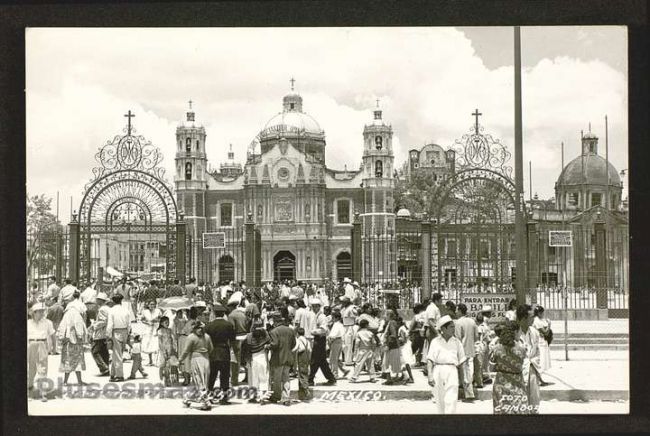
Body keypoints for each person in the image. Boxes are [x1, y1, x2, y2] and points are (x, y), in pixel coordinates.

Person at [426, 315, 466, 415]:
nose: (454, 329)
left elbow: (462, 361)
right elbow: (430, 359)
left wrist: (464, 378)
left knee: (451, 399)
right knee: (439, 399)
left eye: (454, 327)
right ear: (444, 328)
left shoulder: (457, 342)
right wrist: (430, 375)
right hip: (438, 370)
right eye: (451, 327)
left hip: (452, 370)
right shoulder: (435, 342)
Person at [489, 321, 528, 414]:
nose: (521, 333)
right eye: (520, 331)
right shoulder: (522, 349)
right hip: (517, 386)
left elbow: (491, 368)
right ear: (515, 332)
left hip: (500, 386)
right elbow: (524, 366)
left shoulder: (496, 349)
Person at [204, 303, 235, 403]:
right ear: (223, 314)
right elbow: (232, 339)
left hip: (213, 352)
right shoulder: (228, 325)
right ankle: (224, 397)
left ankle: (209, 395)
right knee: (224, 375)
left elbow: (206, 340)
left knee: (212, 375)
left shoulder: (209, 326)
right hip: (224, 351)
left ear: (215, 313)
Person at [516, 304, 542, 414]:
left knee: (534, 398)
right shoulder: (514, 334)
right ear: (523, 318)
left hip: (532, 368)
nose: (533, 319)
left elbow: (537, 351)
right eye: (531, 317)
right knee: (520, 399)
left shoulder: (534, 332)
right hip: (519, 370)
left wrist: (535, 366)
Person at [266, 313, 296, 406]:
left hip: (278, 358)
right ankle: (286, 398)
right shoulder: (291, 330)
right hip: (288, 357)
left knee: (277, 379)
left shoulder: (274, 331)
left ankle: (276, 396)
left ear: (275, 321)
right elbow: (293, 344)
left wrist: (267, 346)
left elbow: (274, 344)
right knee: (286, 378)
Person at [178, 322, 214, 400]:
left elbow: (186, 351)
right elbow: (211, 349)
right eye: (199, 328)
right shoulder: (207, 337)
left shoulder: (191, 337)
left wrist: (180, 359)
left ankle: (202, 398)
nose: (200, 330)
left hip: (196, 359)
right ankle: (202, 396)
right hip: (206, 359)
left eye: (201, 328)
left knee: (198, 378)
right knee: (204, 379)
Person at [27, 303, 55, 401]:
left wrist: (54, 348)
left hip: (42, 345)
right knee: (31, 369)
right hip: (31, 345)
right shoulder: (28, 323)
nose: (42, 313)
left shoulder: (48, 322)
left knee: (42, 369)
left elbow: (52, 335)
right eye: (39, 311)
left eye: (42, 311)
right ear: (34, 313)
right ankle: (29, 388)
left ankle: (43, 393)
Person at [57, 300, 88, 386]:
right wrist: (82, 338)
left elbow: (61, 327)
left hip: (67, 341)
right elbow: (81, 328)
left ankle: (65, 382)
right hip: (77, 341)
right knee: (78, 360)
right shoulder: (77, 315)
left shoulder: (66, 315)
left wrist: (61, 338)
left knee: (67, 360)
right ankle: (79, 381)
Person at [308, 298, 337, 386]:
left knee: (314, 360)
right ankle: (331, 379)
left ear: (319, 307)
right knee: (321, 361)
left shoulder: (322, 317)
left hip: (320, 339)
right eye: (313, 306)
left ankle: (310, 379)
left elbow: (323, 330)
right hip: (317, 339)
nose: (314, 308)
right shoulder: (316, 315)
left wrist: (313, 332)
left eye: (316, 306)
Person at [241, 319, 271, 403]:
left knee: (253, 378)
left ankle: (254, 396)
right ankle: (263, 396)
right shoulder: (265, 334)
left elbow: (244, 348)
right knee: (263, 377)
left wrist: (244, 360)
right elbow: (270, 343)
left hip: (252, 358)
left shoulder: (249, 336)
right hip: (263, 357)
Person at [454, 303, 478, 401]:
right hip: (471, 349)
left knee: (465, 373)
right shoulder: (472, 322)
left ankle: (469, 394)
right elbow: (476, 337)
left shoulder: (458, 323)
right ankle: (468, 392)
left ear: (460, 311)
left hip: (462, 350)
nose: (455, 312)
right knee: (469, 371)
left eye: (456, 310)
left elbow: (457, 338)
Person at [106, 293, 132, 382]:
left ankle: (119, 375)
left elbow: (110, 324)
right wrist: (128, 334)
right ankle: (112, 374)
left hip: (115, 331)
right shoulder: (126, 310)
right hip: (125, 331)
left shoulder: (111, 310)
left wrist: (108, 335)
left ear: (113, 301)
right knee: (117, 354)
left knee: (117, 354)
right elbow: (129, 324)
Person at [227, 296, 249, 386]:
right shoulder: (244, 313)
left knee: (235, 361)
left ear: (231, 306)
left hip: (236, 338)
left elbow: (231, 329)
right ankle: (248, 377)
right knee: (246, 359)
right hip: (246, 336)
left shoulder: (231, 315)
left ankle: (234, 380)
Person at [348, 318, 378, 383]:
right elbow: (374, 342)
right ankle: (373, 377)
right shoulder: (370, 333)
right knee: (370, 364)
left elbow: (357, 343)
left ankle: (354, 377)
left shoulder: (359, 333)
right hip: (369, 350)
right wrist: (373, 349)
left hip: (362, 350)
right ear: (367, 325)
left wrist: (355, 352)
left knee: (358, 364)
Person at [89, 292, 111, 376]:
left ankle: (104, 367)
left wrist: (94, 325)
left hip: (101, 332)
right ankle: (106, 367)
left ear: (100, 300)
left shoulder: (102, 309)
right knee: (104, 351)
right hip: (105, 332)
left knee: (95, 351)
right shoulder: (107, 308)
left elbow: (103, 321)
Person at [178, 307, 198, 385]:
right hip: (189, 340)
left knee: (186, 360)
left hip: (185, 340)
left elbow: (185, 331)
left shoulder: (190, 323)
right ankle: (191, 378)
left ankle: (187, 379)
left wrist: (181, 328)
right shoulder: (194, 322)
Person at [383, 309, 401, 385]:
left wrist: (388, 345)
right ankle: (390, 378)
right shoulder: (390, 323)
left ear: (389, 315)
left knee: (387, 362)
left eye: (385, 314)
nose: (384, 316)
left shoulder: (392, 323)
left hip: (391, 346)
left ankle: (389, 379)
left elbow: (393, 335)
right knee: (388, 362)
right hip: (392, 346)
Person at [533, 306, 552, 378]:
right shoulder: (537, 321)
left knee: (543, 360)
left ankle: (540, 379)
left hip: (543, 341)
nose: (543, 314)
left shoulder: (541, 320)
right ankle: (539, 379)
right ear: (539, 313)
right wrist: (549, 325)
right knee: (541, 361)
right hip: (539, 342)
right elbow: (545, 332)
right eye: (542, 312)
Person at [328, 311, 348, 379]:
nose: (332, 319)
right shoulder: (340, 324)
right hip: (339, 341)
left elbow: (333, 335)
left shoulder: (336, 324)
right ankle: (344, 370)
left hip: (335, 341)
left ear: (336, 318)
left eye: (333, 317)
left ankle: (335, 374)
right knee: (336, 358)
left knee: (333, 359)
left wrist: (330, 342)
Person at [294, 326, 313, 400]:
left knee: (301, 374)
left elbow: (301, 349)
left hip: (301, 358)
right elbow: (309, 350)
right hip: (307, 358)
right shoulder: (306, 340)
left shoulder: (298, 340)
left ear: (298, 333)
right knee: (304, 373)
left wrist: (296, 351)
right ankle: (301, 395)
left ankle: (306, 390)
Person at [157, 315, 177, 386]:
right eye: (166, 322)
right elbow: (160, 342)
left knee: (169, 365)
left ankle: (168, 379)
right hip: (163, 350)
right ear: (161, 323)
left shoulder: (170, 330)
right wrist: (163, 351)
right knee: (163, 364)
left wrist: (174, 348)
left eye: (168, 322)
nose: (167, 324)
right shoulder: (160, 331)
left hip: (170, 349)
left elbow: (173, 339)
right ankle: (164, 377)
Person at [141, 300, 161, 366]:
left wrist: (155, 321)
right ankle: (150, 360)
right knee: (149, 344)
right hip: (148, 329)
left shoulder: (158, 311)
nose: (152, 306)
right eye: (151, 304)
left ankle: (156, 361)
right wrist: (148, 322)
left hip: (155, 328)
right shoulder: (145, 312)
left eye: (153, 304)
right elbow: (142, 320)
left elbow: (160, 319)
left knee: (155, 344)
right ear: (148, 305)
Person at [397, 317, 415, 384]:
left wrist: (398, 341)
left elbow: (403, 339)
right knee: (404, 362)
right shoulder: (405, 327)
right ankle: (403, 375)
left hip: (404, 347)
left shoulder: (401, 329)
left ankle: (410, 377)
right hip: (408, 345)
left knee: (405, 362)